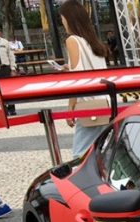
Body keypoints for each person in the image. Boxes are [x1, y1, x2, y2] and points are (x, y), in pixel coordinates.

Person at [60, 0, 110, 159]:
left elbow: (78, 79)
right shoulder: (93, 41)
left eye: (62, 18)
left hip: (89, 105)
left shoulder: (72, 40)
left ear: (69, 19)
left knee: (80, 155)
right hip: (105, 102)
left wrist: (70, 108)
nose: (62, 22)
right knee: (102, 152)